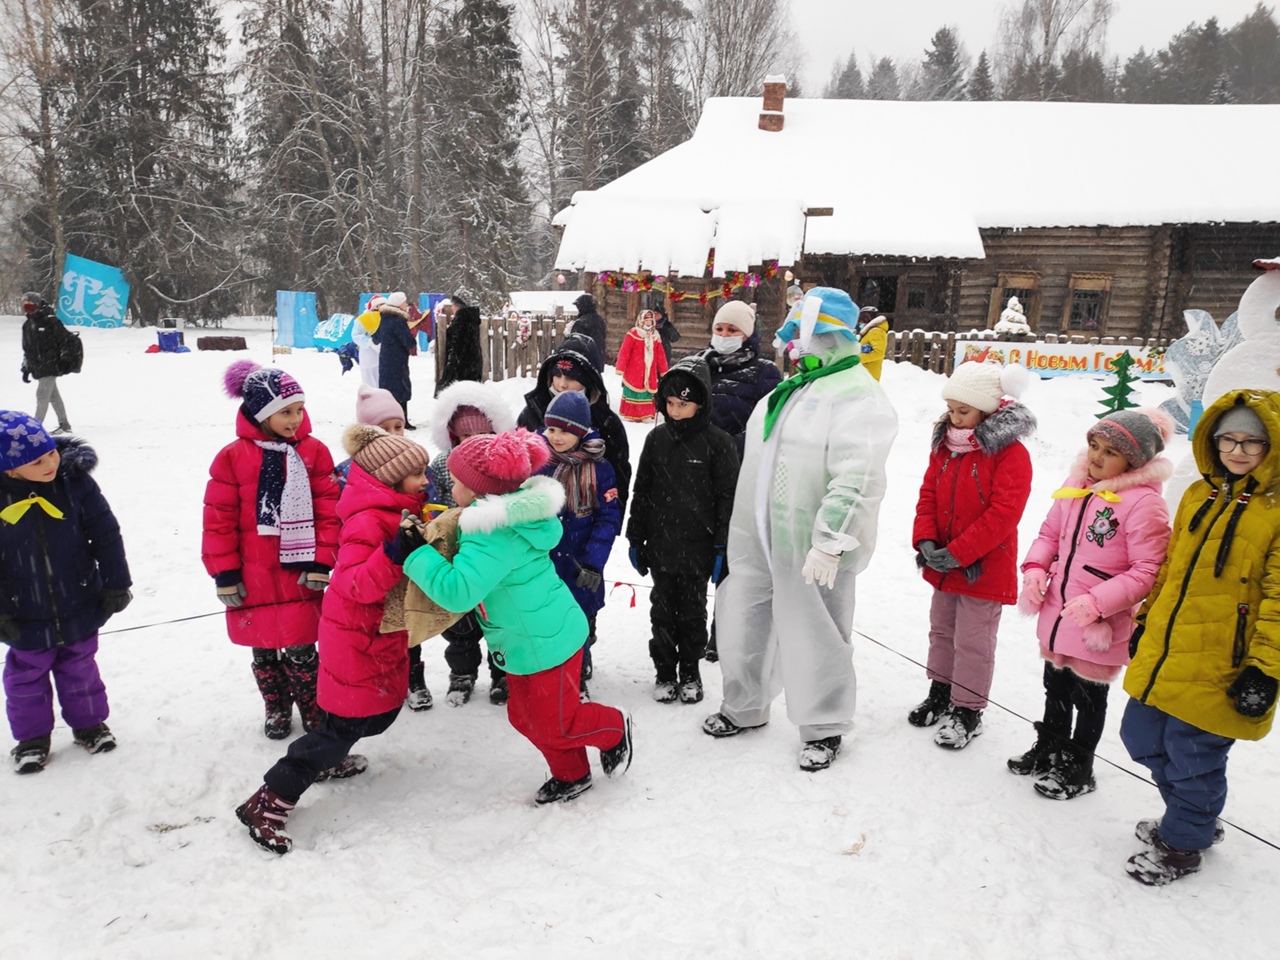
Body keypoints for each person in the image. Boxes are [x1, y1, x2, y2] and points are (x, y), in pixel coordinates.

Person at [703, 287, 897, 771]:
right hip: (758, 541)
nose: (795, 344)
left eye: (805, 334)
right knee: (742, 617)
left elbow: (860, 475)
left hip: (812, 547)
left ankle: (825, 725)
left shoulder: (856, 394)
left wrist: (833, 539)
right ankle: (744, 704)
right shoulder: (789, 390)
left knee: (818, 631)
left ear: (832, 335)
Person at [403, 430, 633, 805]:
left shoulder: (492, 534)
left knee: (556, 722)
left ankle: (612, 728)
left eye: (457, 482)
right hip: (524, 640)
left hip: (547, 641)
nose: (452, 488)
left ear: (480, 491)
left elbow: (459, 591)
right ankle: (572, 773)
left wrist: (417, 555)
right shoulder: (496, 522)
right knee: (524, 717)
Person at [235, 424, 431, 854]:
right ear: (391, 478)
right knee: (340, 727)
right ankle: (268, 802)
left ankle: (329, 757)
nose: (425, 481)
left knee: (372, 715)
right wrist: (394, 553)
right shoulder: (369, 521)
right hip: (357, 636)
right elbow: (360, 584)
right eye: (417, 474)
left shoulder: (395, 511)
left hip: (374, 634)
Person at [1119, 393, 1280, 886]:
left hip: (1225, 661)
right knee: (1140, 736)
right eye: (1228, 438)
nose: (1238, 450)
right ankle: (1195, 817)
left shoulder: (1275, 511)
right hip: (1168, 646)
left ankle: (1184, 842)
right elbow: (1172, 565)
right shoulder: (1198, 493)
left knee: (1193, 757)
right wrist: (1146, 619)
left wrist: (1265, 669)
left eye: (1252, 441)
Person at [1014, 409, 1173, 800]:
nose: (1097, 457)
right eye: (1093, 445)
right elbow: (1049, 533)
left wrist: (1099, 603)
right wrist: (1035, 567)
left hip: (1098, 621)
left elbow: (1148, 569)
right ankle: (1050, 744)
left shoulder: (1142, 504)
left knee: (1088, 697)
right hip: (1058, 610)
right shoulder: (1078, 485)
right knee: (1055, 684)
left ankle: (1077, 765)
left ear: (1134, 461)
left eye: (1110, 452)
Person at [202, 361, 340, 740]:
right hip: (251, 573)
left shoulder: (313, 452)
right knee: (262, 649)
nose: (296, 419)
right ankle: (276, 706)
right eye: (285, 412)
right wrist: (224, 572)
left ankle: (314, 709)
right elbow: (218, 519)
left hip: (299, 571)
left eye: (299, 410)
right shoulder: (232, 458)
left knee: (302, 648)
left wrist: (321, 560)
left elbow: (330, 511)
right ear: (262, 413)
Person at [908, 360, 1035, 750]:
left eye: (963, 410)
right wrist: (926, 539)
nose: (954, 417)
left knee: (974, 640)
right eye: (951, 409)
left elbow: (1004, 514)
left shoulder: (1010, 453)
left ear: (989, 409)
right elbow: (928, 494)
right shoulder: (945, 446)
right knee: (942, 630)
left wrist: (962, 552)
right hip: (943, 561)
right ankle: (940, 691)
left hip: (983, 567)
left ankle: (967, 708)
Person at [1, 413, 132, 773]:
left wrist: (116, 583)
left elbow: (105, 534)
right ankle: (31, 738)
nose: (50, 464)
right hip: (22, 608)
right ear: (10, 470)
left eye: (50, 453)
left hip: (78, 596)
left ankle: (89, 724)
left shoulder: (75, 483)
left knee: (80, 667)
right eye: (36, 461)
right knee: (25, 676)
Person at [629, 356, 740, 704]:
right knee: (661, 611)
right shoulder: (656, 439)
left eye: (684, 404)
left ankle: (689, 671)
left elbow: (727, 498)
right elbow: (641, 490)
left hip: (699, 547)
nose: (676, 411)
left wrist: (722, 547)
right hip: (661, 543)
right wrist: (635, 536)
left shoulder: (718, 443)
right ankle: (664, 671)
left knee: (693, 613)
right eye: (671, 404)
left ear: (701, 403)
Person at [427, 380, 516, 707]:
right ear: (452, 438)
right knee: (460, 626)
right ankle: (462, 673)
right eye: (465, 438)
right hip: (458, 558)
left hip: (493, 559)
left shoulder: (505, 469)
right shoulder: (441, 466)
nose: (473, 444)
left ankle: (503, 672)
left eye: (482, 436)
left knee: (500, 621)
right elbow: (432, 505)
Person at [535, 390, 622, 700]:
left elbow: (608, 518)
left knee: (577, 620)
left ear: (582, 432)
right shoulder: (536, 463)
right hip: (542, 564)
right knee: (543, 618)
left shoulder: (599, 469)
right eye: (551, 429)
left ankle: (577, 673)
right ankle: (544, 672)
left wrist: (593, 560)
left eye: (565, 431)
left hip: (579, 565)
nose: (556, 437)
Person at [517, 335, 631, 516]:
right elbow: (516, 468)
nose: (562, 384)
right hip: (536, 520)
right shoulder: (534, 412)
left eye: (571, 377)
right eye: (557, 375)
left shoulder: (606, 422)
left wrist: (611, 523)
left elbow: (619, 476)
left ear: (588, 379)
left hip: (585, 523)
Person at [702, 299, 783, 457]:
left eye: (732, 330)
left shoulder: (764, 372)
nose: (724, 335)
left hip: (738, 464)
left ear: (747, 335)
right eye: (719, 329)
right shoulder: (700, 365)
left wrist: (728, 448)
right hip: (695, 464)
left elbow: (769, 423)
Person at [20, 292, 81, 436]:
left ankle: (36, 427)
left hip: (50, 364)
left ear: (39, 305)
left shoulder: (51, 322)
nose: (28, 311)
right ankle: (64, 424)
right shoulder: (27, 325)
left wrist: (65, 358)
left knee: (42, 394)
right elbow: (27, 349)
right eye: (25, 308)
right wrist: (26, 367)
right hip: (38, 366)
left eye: (31, 307)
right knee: (53, 395)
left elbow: (65, 340)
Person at [334, 384, 408, 490]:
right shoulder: (348, 470)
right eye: (384, 429)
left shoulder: (413, 464)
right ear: (367, 432)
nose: (393, 434)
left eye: (398, 427)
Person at [615, 309, 669, 422]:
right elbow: (625, 351)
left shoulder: (655, 335)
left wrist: (663, 370)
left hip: (649, 370)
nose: (648, 322)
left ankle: (645, 414)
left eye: (650, 320)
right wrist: (620, 367)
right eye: (646, 320)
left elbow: (661, 355)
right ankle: (631, 413)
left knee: (647, 391)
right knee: (633, 390)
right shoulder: (633, 333)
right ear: (641, 320)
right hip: (634, 369)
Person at [374, 292, 417, 428]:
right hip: (397, 360)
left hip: (385, 359)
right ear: (399, 304)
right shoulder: (398, 320)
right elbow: (408, 341)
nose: (406, 305)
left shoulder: (384, 318)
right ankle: (402, 420)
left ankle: (387, 420)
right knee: (401, 391)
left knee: (388, 391)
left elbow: (376, 337)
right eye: (404, 302)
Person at [437, 292, 483, 396]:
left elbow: (458, 346)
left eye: (453, 305)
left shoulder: (462, 321)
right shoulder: (470, 319)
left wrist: (451, 367)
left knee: (459, 398)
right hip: (470, 366)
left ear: (459, 306)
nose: (452, 307)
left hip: (462, 368)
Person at [569, 293, 608, 361]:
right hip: (597, 359)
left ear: (582, 307)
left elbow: (574, 342)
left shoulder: (581, 322)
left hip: (583, 360)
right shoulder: (599, 320)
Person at [856, 307, 890, 381]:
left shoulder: (876, 332)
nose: (859, 323)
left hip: (869, 375)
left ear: (867, 318)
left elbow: (878, 353)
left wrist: (857, 359)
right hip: (866, 374)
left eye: (861, 320)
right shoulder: (870, 332)